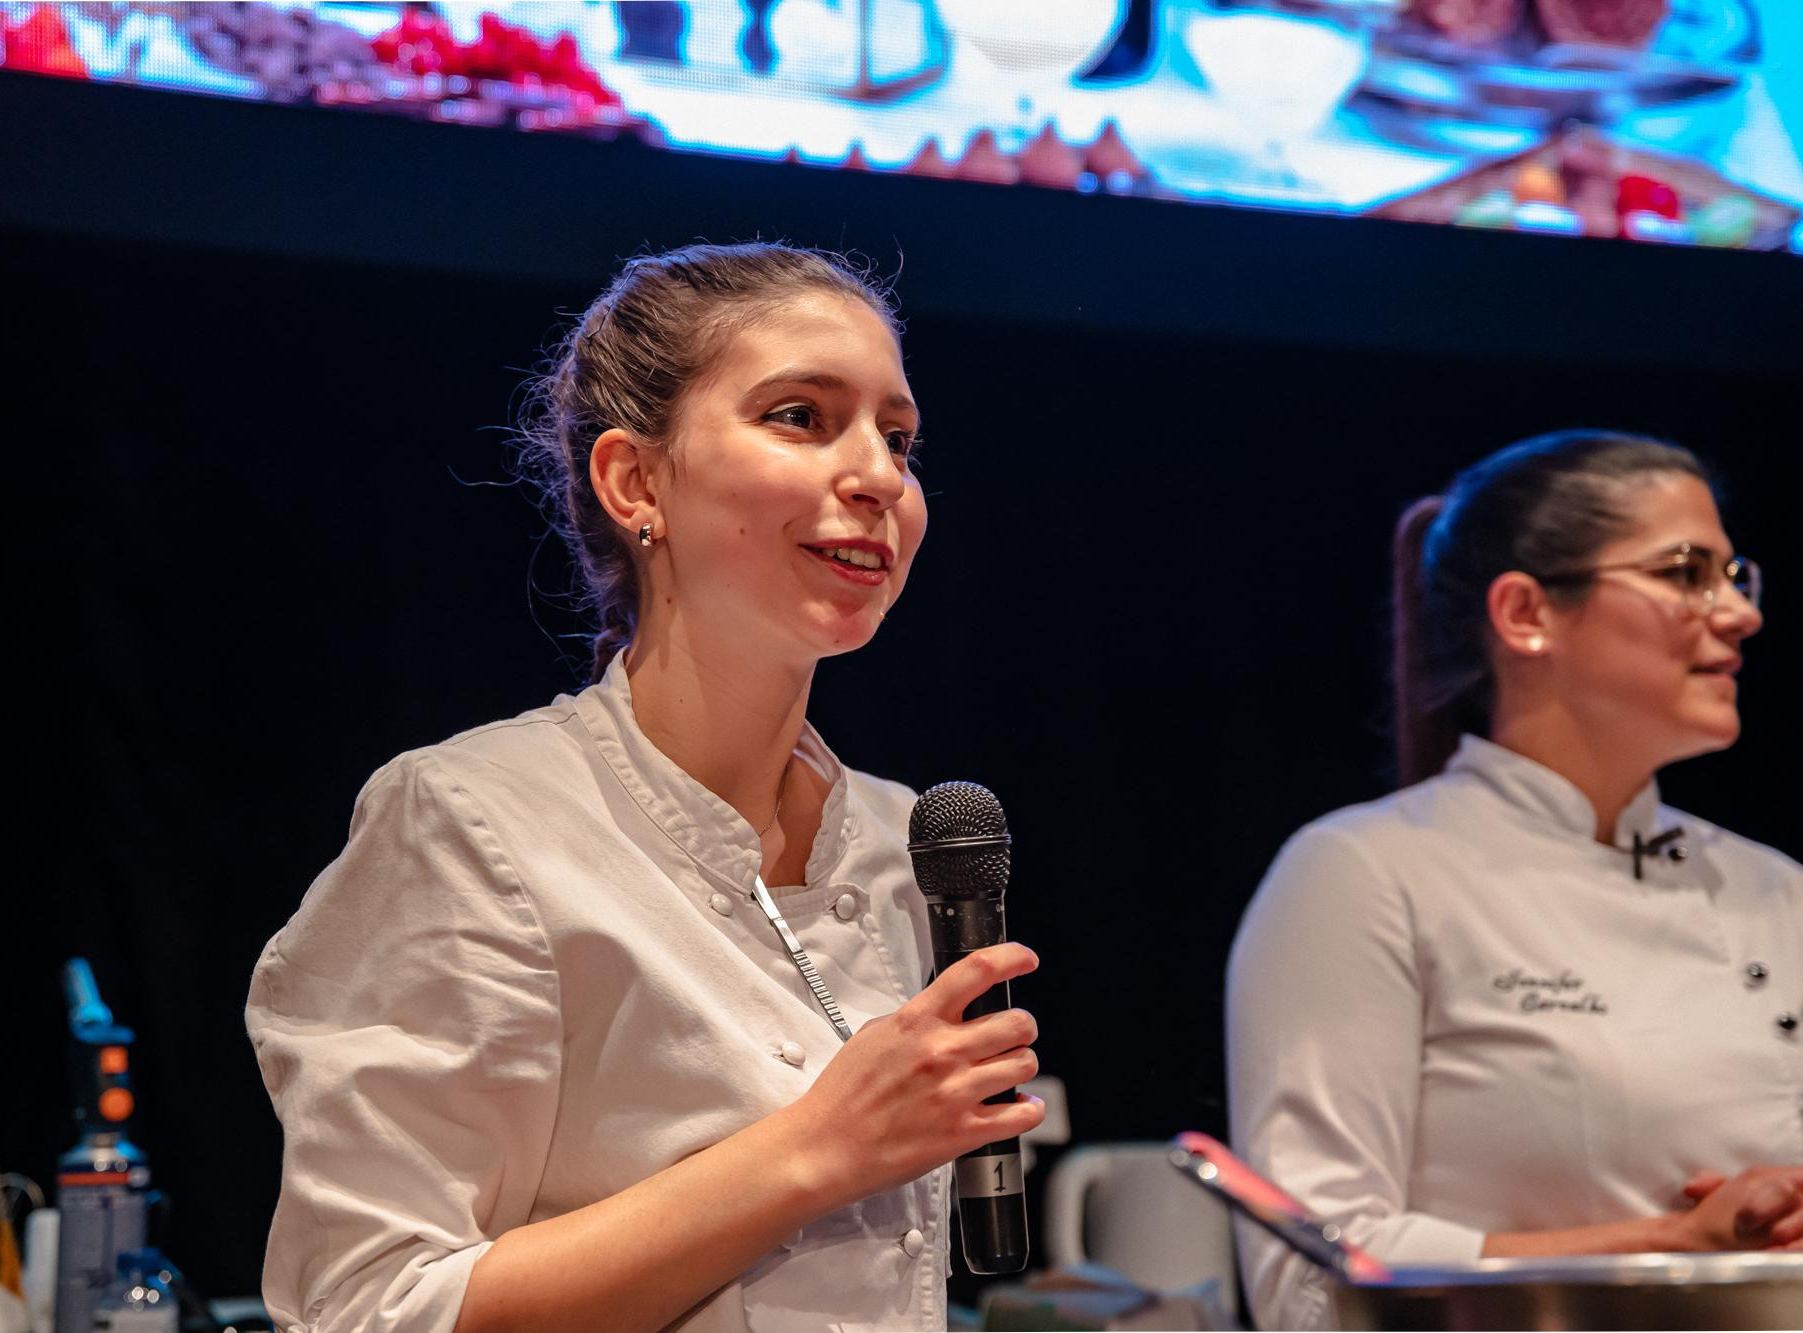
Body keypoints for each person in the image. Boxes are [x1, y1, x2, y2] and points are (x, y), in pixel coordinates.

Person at [245, 242, 1043, 1333]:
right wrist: (815, 1148)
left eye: (895, 437)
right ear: (634, 482)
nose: (876, 477)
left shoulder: (904, 836)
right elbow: (367, 1307)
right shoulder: (470, 822)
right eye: (801, 416)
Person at [1228, 430, 1802, 1330]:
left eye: (1736, 576)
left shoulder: (1780, 890)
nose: (1737, 612)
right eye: (1688, 573)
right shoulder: (1363, 874)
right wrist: (1669, 1247)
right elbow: (1313, 1274)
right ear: (1526, 612)